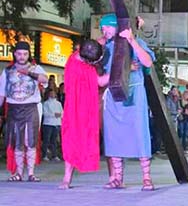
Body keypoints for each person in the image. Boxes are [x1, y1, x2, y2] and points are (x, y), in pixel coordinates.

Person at [100, 14, 156, 191]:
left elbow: (147, 62)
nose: (104, 31)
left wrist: (132, 40)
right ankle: (117, 178)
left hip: (134, 94)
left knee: (140, 133)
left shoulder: (136, 41)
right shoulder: (106, 47)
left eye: (108, 27)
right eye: (102, 28)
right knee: (113, 135)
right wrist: (123, 68)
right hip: (113, 96)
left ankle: (146, 178)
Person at [59, 39, 109, 189]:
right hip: (82, 110)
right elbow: (100, 82)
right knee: (75, 140)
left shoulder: (73, 58)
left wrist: (106, 37)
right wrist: (118, 70)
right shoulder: (84, 69)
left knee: (71, 140)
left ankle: (66, 179)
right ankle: (66, 178)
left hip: (72, 109)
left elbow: (97, 42)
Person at [0, 41, 48, 182]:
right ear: (15, 54)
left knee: (30, 140)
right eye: (19, 54)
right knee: (17, 142)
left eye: (25, 54)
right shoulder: (7, 71)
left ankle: (31, 173)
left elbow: (45, 80)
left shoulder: (36, 68)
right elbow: (2, 93)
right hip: (14, 109)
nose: (22, 57)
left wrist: (29, 73)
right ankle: (19, 173)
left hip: (30, 108)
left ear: (29, 54)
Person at [42, 88, 63, 161]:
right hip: (48, 123)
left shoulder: (58, 103)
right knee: (46, 140)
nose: (52, 94)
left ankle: (54, 155)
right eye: (51, 93)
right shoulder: (45, 103)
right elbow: (45, 113)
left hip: (56, 124)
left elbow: (62, 113)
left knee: (54, 141)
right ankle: (44, 155)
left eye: (53, 93)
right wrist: (54, 115)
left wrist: (59, 115)